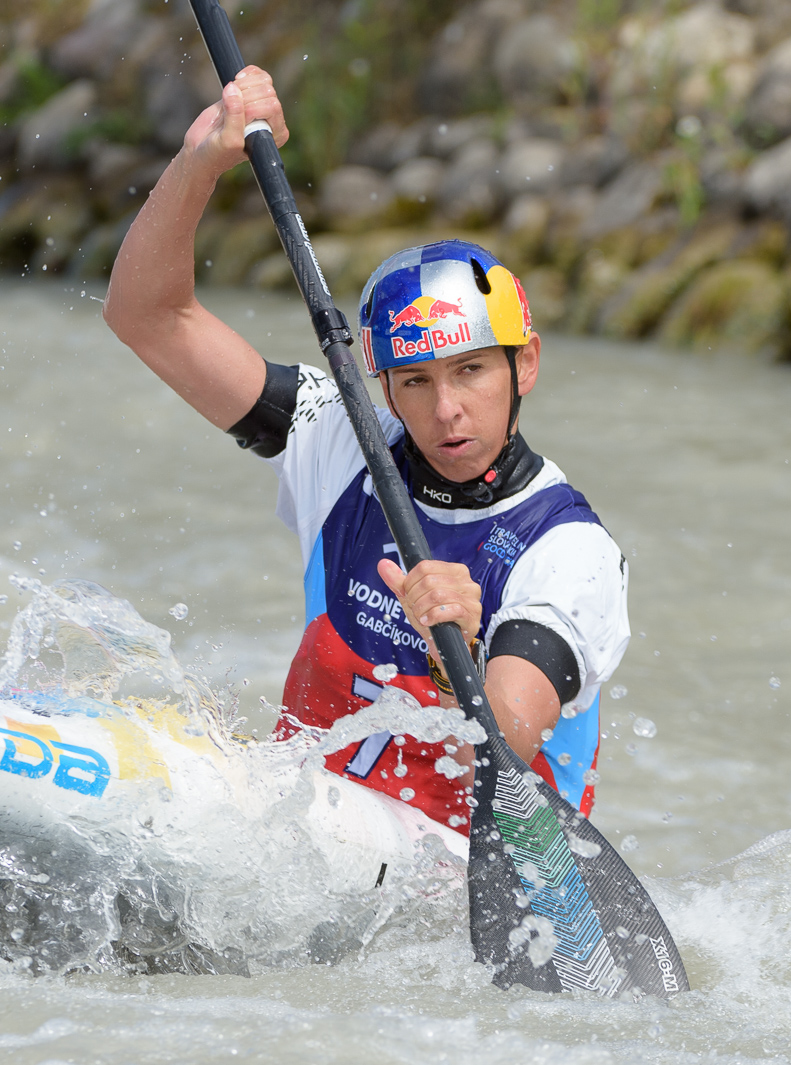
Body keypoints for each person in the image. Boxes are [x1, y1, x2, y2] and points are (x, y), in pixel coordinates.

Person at [104, 66, 630, 835]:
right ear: (383, 386)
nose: (445, 409)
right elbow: (146, 316)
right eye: (415, 380)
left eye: (471, 371)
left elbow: (504, 748)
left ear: (525, 365)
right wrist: (200, 162)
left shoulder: (570, 549)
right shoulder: (340, 437)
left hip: (461, 865)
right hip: (301, 831)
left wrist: (457, 653)